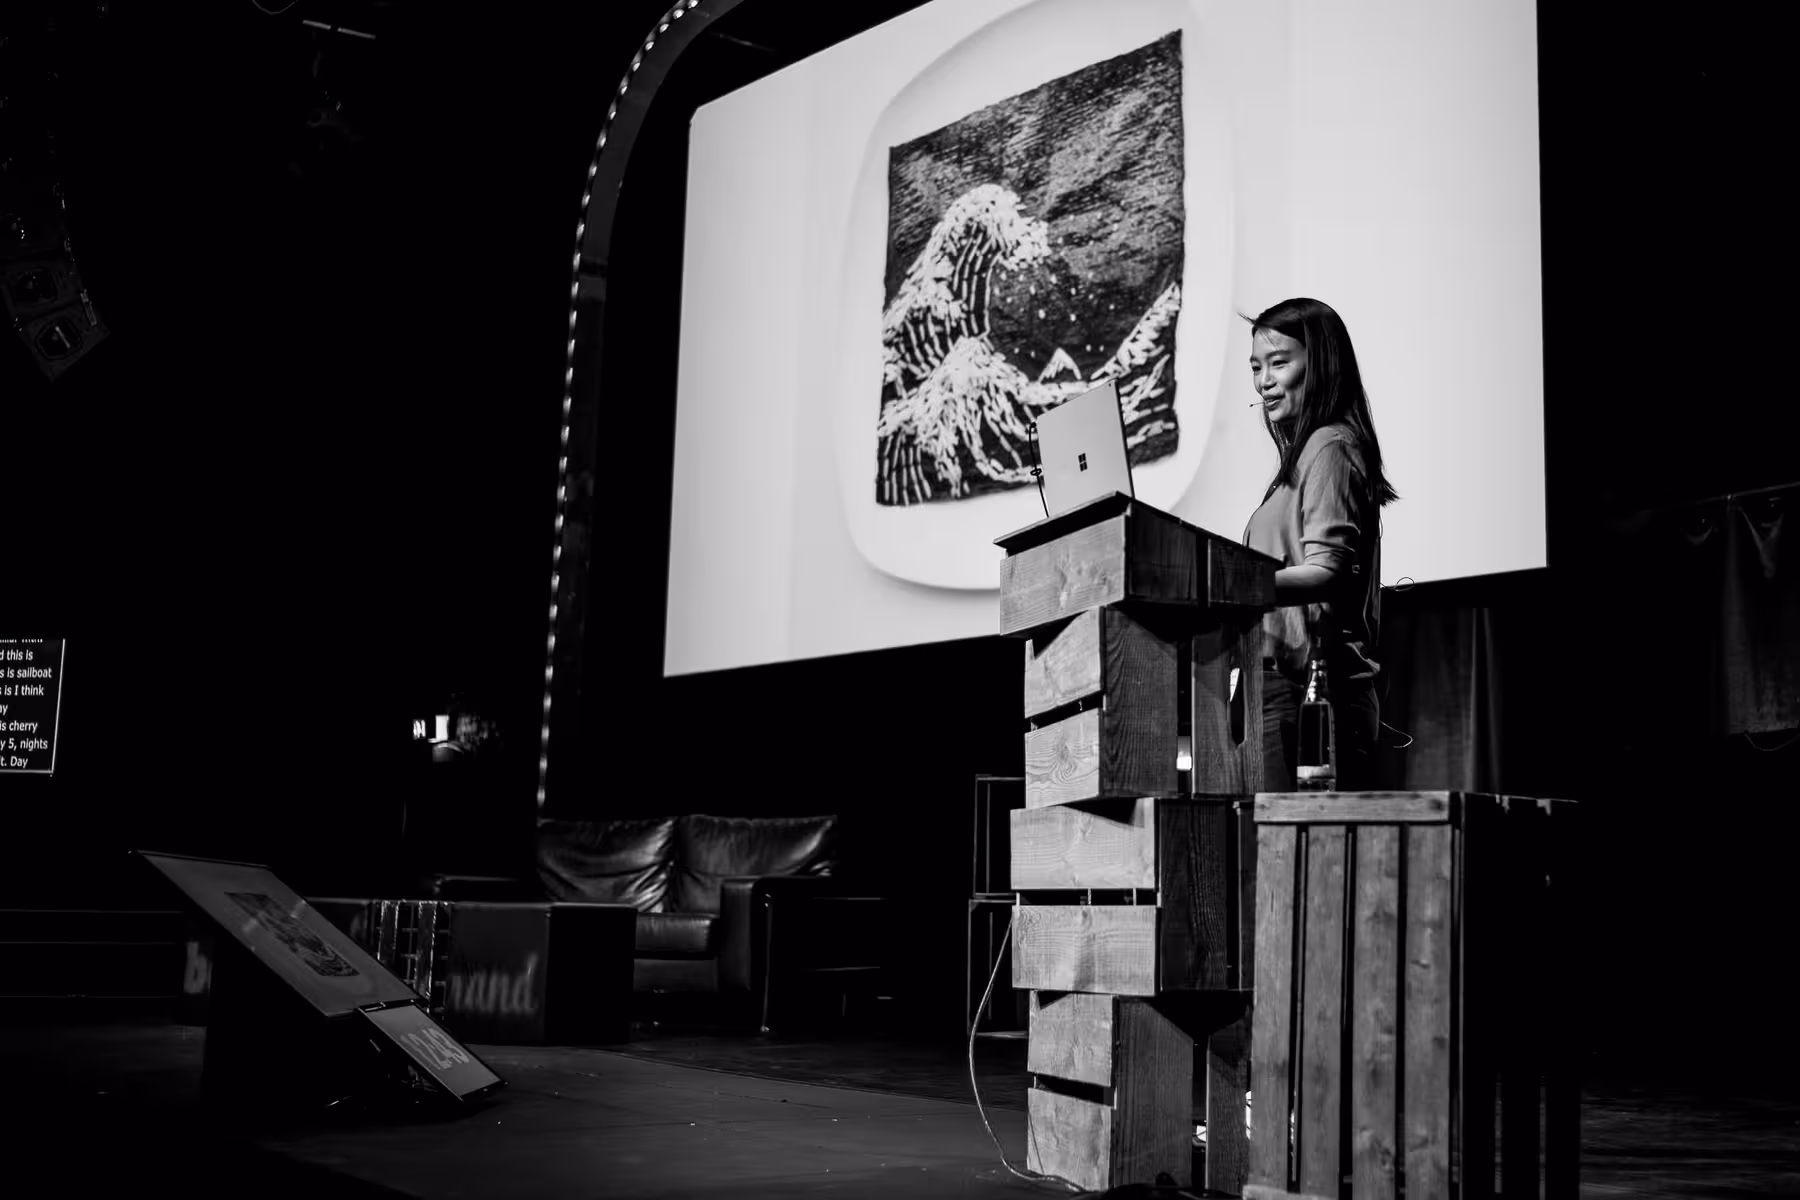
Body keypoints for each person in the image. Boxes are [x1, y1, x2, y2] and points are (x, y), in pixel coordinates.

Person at [1242, 298, 1398, 792]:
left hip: (1313, 697)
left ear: (1321, 364)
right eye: (1256, 367)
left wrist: (1229, 586)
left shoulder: (1329, 446)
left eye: (1279, 362)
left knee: (1303, 864)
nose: (1264, 380)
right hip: (1280, 692)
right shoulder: (1303, 456)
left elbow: (1327, 571)